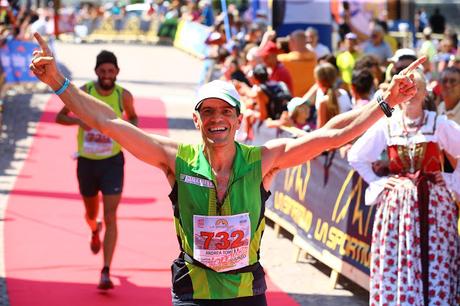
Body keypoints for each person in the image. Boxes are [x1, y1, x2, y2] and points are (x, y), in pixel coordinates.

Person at [30, 32, 424, 306]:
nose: (216, 118)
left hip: (245, 294)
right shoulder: (175, 159)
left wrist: (384, 103)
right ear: (197, 121)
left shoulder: (263, 160)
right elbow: (107, 122)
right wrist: (58, 82)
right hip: (191, 292)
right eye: (208, 112)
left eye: (225, 111)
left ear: (238, 119)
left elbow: (331, 135)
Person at [348, 70, 460, 305]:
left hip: (435, 207)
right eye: (405, 88)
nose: (411, 94)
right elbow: (356, 155)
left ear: (425, 91)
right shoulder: (386, 125)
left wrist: (450, 179)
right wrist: (378, 181)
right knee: (399, 256)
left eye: (416, 87)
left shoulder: (437, 124)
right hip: (398, 209)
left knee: (436, 258)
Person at [55, 50, 138, 290]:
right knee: (91, 214)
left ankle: (106, 270)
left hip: (112, 162)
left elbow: (134, 119)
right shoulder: (84, 92)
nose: (107, 75)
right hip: (87, 162)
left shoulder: (124, 96)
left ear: (117, 72)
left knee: (111, 215)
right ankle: (94, 229)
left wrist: (121, 129)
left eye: (111, 71)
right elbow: (59, 118)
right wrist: (80, 121)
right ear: (96, 72)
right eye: (102, 71)